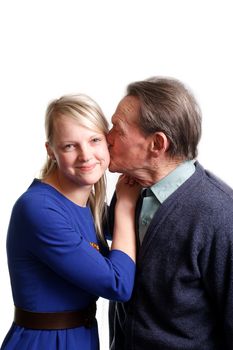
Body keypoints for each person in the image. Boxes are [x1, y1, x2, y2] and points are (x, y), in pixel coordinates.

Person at [0, 94, 141, 350]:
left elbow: (134, 233)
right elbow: (118, 284)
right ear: (51, 151)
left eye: (95, 140)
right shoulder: (39, 209)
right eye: (69, 146)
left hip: (80, 338)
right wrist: (126, 205)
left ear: (108, 142)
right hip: (44, 343)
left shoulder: (86, 202)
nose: (85, 155)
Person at [107, 77, 233, 350]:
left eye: (117, 129)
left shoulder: (221, 214)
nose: (106, 138)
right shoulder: (128, 191)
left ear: (157, 144)